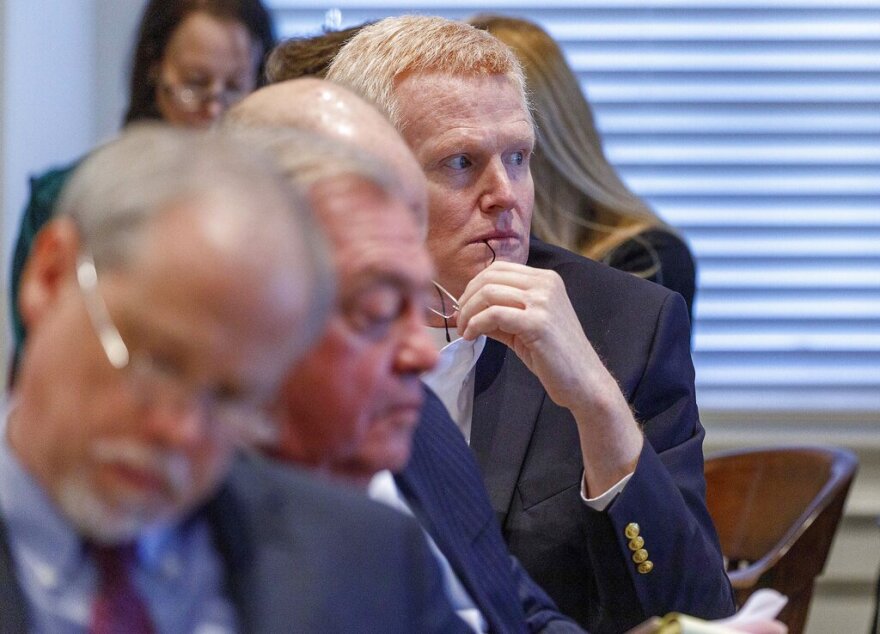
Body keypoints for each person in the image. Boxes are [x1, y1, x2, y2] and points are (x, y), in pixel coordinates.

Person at [327, 16, 735, 632]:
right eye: (462, 161)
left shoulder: (625, 324)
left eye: (518, 158)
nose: (505, 194)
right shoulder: (300, 326)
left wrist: (597, 405)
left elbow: (695, 614)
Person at [0, 124, 467, 632]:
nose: (179, 430)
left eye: (229, 398)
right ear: (50, 278)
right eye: (159, 364)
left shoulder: (365, 565)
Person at [225, 78, 582, 632]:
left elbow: (518, 613)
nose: (421, 351)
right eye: (378, 309)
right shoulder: (190, 531)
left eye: (420, 301)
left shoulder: (418, 424)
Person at [9, 0, 276, 376]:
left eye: (234, 87)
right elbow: (37, 354)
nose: (214, 110)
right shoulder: (64, 195)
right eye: (195, 84)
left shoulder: (274, 210)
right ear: (155, 70)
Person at [468, 14, 697, 321]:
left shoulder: (646, 259)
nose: (499, 191)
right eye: (460, 160)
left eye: (516, 155)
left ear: (541, 141)